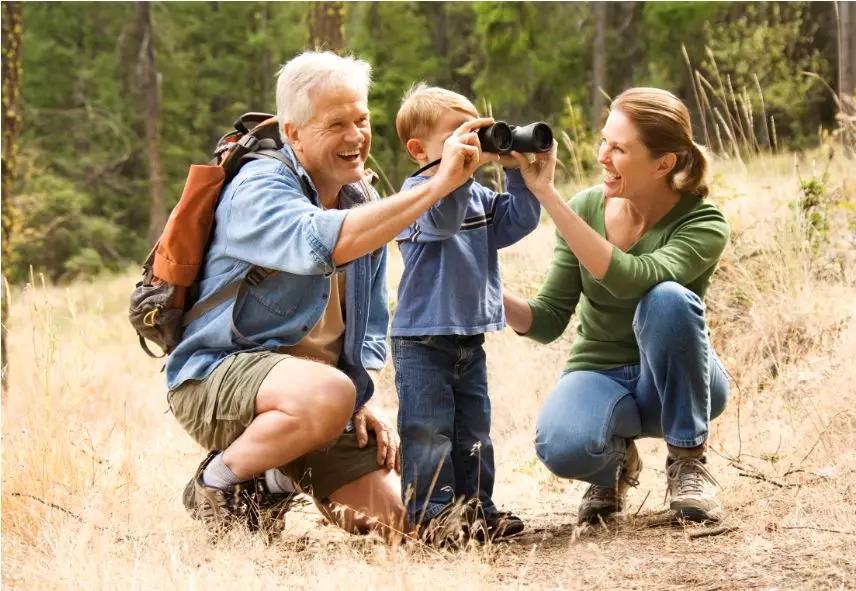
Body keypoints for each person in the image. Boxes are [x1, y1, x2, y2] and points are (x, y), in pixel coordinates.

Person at [164, 52, 497, 542]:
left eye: (361, 119)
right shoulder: (259, 185)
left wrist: (363, 401)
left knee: (405, 525)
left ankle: (273, 480)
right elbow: (324, 241)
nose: (355, 136)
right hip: (215, 379)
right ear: (294, 133)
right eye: (336, 124)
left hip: (318, 399)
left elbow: (367, 325)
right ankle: (216, 485)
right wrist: (439, 182)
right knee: (329, 393)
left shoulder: (361, 197)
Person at [503, 87, 731, 523]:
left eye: (620, 148)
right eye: (604, 140)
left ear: (664, 164)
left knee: (666, 299)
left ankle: (687, 460)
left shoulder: (703, 222)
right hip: (600, 373)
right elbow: (549, 318)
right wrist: (486, 288)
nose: (603, 156)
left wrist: (547, 195)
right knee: (561, 445)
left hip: (675, 385)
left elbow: (633, 279)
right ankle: (613, 464)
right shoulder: (587, 206)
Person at [390, 84, 542, 541]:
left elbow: (519, 221)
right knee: (428, 431)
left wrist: (517, 171)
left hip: (467, 339)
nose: (472, 143)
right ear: (419, 150)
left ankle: (477, 509)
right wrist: (453, 177)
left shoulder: (475, 195)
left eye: (476, 132)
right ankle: (433, 516)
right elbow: (443, 221)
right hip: (421, 341)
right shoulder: (416, 195)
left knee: (473, 430)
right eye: (458, 135)